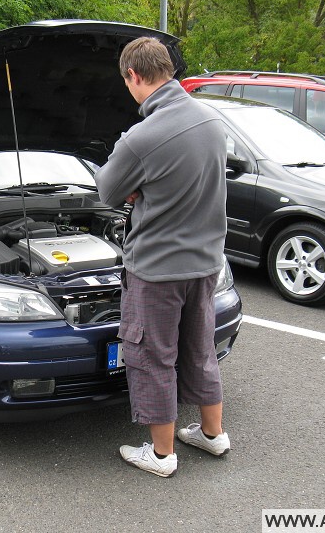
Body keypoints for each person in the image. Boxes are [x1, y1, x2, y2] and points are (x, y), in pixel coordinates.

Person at [94, 36, 230, 478]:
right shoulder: (211, 120)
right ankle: (212, 436)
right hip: (207, 262)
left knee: (152, 357)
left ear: (134, 75)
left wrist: (138, 183)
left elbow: (108, 191)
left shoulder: (141, 137)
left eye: (126, 82)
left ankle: (161, 455)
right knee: (199, 349)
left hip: (158, 270)